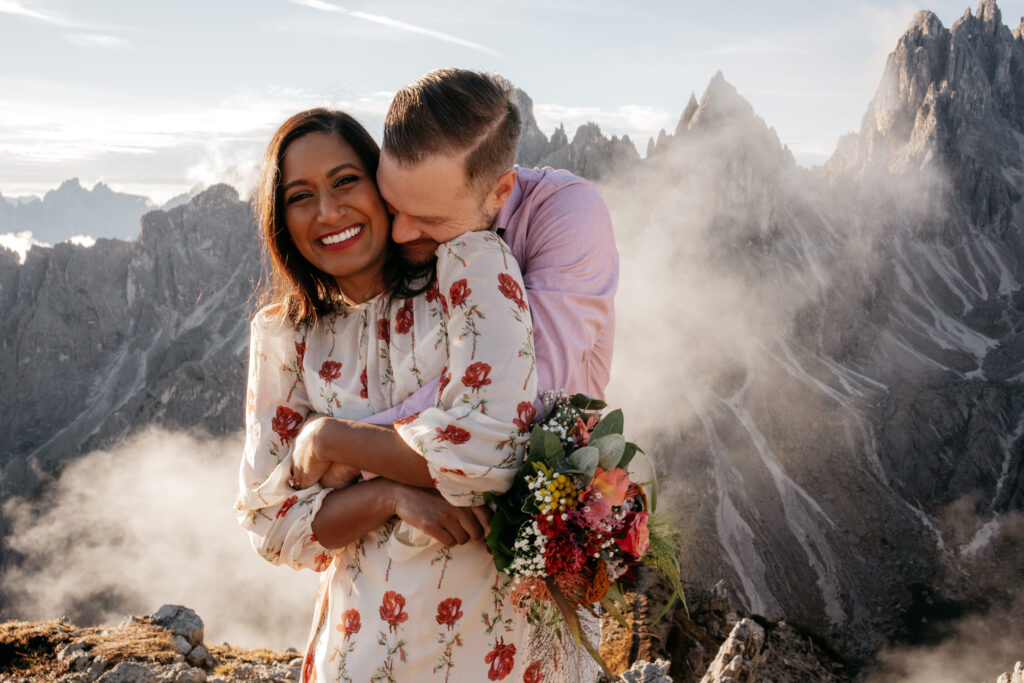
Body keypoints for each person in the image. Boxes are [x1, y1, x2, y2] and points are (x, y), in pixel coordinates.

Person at [236, 108, 541, 682]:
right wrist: (392, 497)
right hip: (362, 653)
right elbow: (270, 525)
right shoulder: (284, 335)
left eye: (346, 181)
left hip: (500, 643)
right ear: (281, 218)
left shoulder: (469, 267)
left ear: (384, 185)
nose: (328, 213)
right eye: (301, 196)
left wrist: (331, 438)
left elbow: (493, 452)